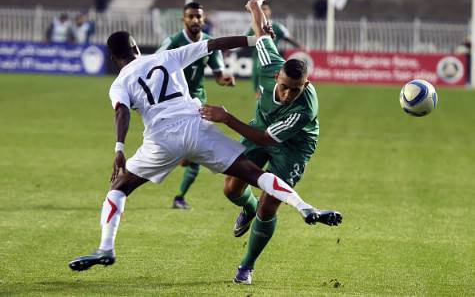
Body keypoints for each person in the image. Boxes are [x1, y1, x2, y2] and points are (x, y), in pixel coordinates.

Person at [68, 30, 341, 274]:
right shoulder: (166, 56)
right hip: (196, 126)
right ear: (137, 48)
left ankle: (106, 247)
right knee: (255, 175)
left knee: (119, 187)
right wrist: (252, 40)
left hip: (161, 141)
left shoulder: (118, 83)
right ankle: (304, 207)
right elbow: (214, 44)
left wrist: (119, 148)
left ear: (114, 57)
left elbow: (122, 113)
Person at [200, 0, 341, 285]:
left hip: (292, 150)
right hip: (260, 128)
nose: (288, 94)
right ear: (277, 74)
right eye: (285, 87)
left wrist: (226, 118)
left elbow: (267, 139)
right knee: (231, 189)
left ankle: (246, 267)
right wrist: (254, 6)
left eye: (296, 89)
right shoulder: (269, 64)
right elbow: (262, 33)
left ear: (307, 85)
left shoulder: (304, 109)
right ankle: (247, 208)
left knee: (268, 205)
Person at [156, 2, 235, 210]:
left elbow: (218, 75)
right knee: (171, 150)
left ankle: (179, 197)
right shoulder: (173, 42)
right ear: (184, 19)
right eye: (190, 16)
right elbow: (153, 64)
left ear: (203, 19)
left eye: (198, 17)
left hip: (196, 103)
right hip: (173, 104)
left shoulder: (210, 44)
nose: (194, 20)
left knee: (197, 153)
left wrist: (224, 78)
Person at [245, 0, 306, 97]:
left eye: (266, 9)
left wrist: (300, 46)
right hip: (257, 59)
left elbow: (288, 37)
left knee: (271, 87)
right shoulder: (253, 28)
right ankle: (261, 104)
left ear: (270, 11)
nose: (264, 12)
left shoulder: (277, 27)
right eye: (262, 10)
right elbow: (244, 40)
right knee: (257, 89)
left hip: (271, 61)